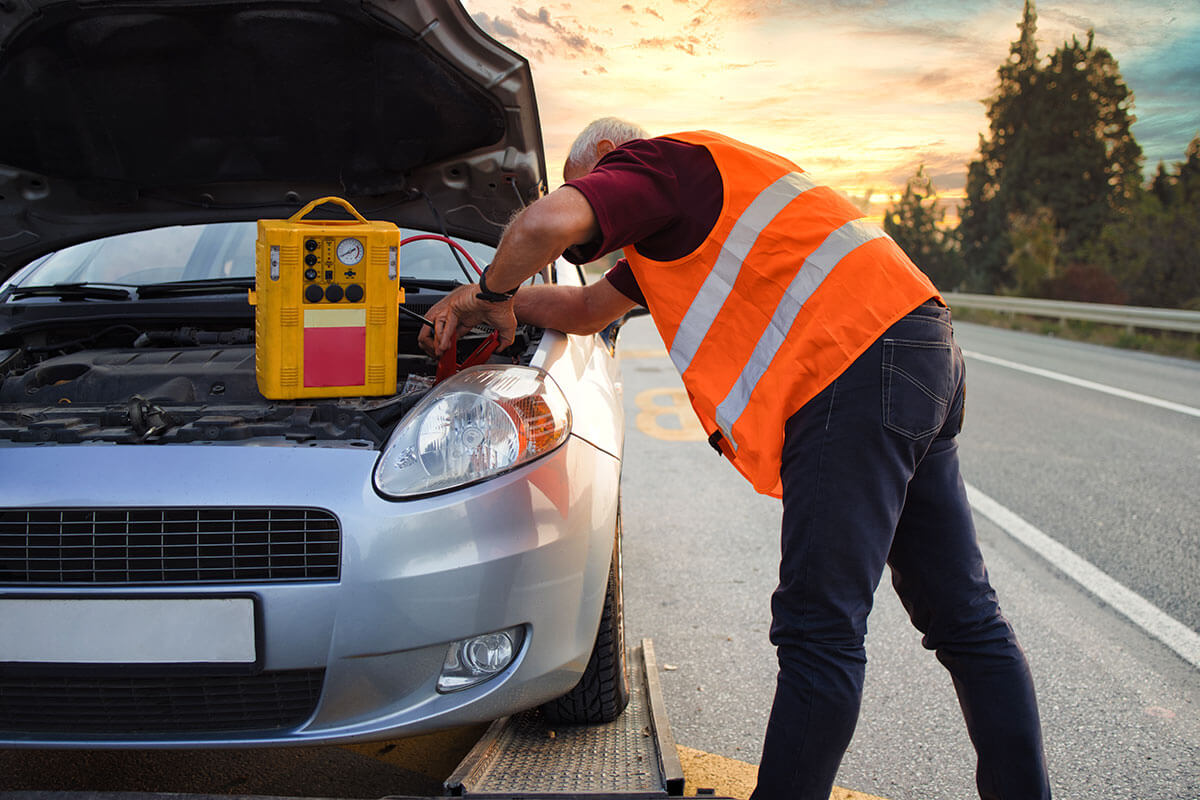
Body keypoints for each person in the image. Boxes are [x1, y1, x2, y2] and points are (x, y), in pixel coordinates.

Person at [419, 118, 1051, 800]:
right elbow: (584, 307)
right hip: (918, 343)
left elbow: (542, 226)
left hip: (853, 363)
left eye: (588, 185)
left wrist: (490, 289)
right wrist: (492, 307)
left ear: (607, 158)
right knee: (965, 620)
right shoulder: (685, 216)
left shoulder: (658, 166)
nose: (597, 228)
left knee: (820, 631)